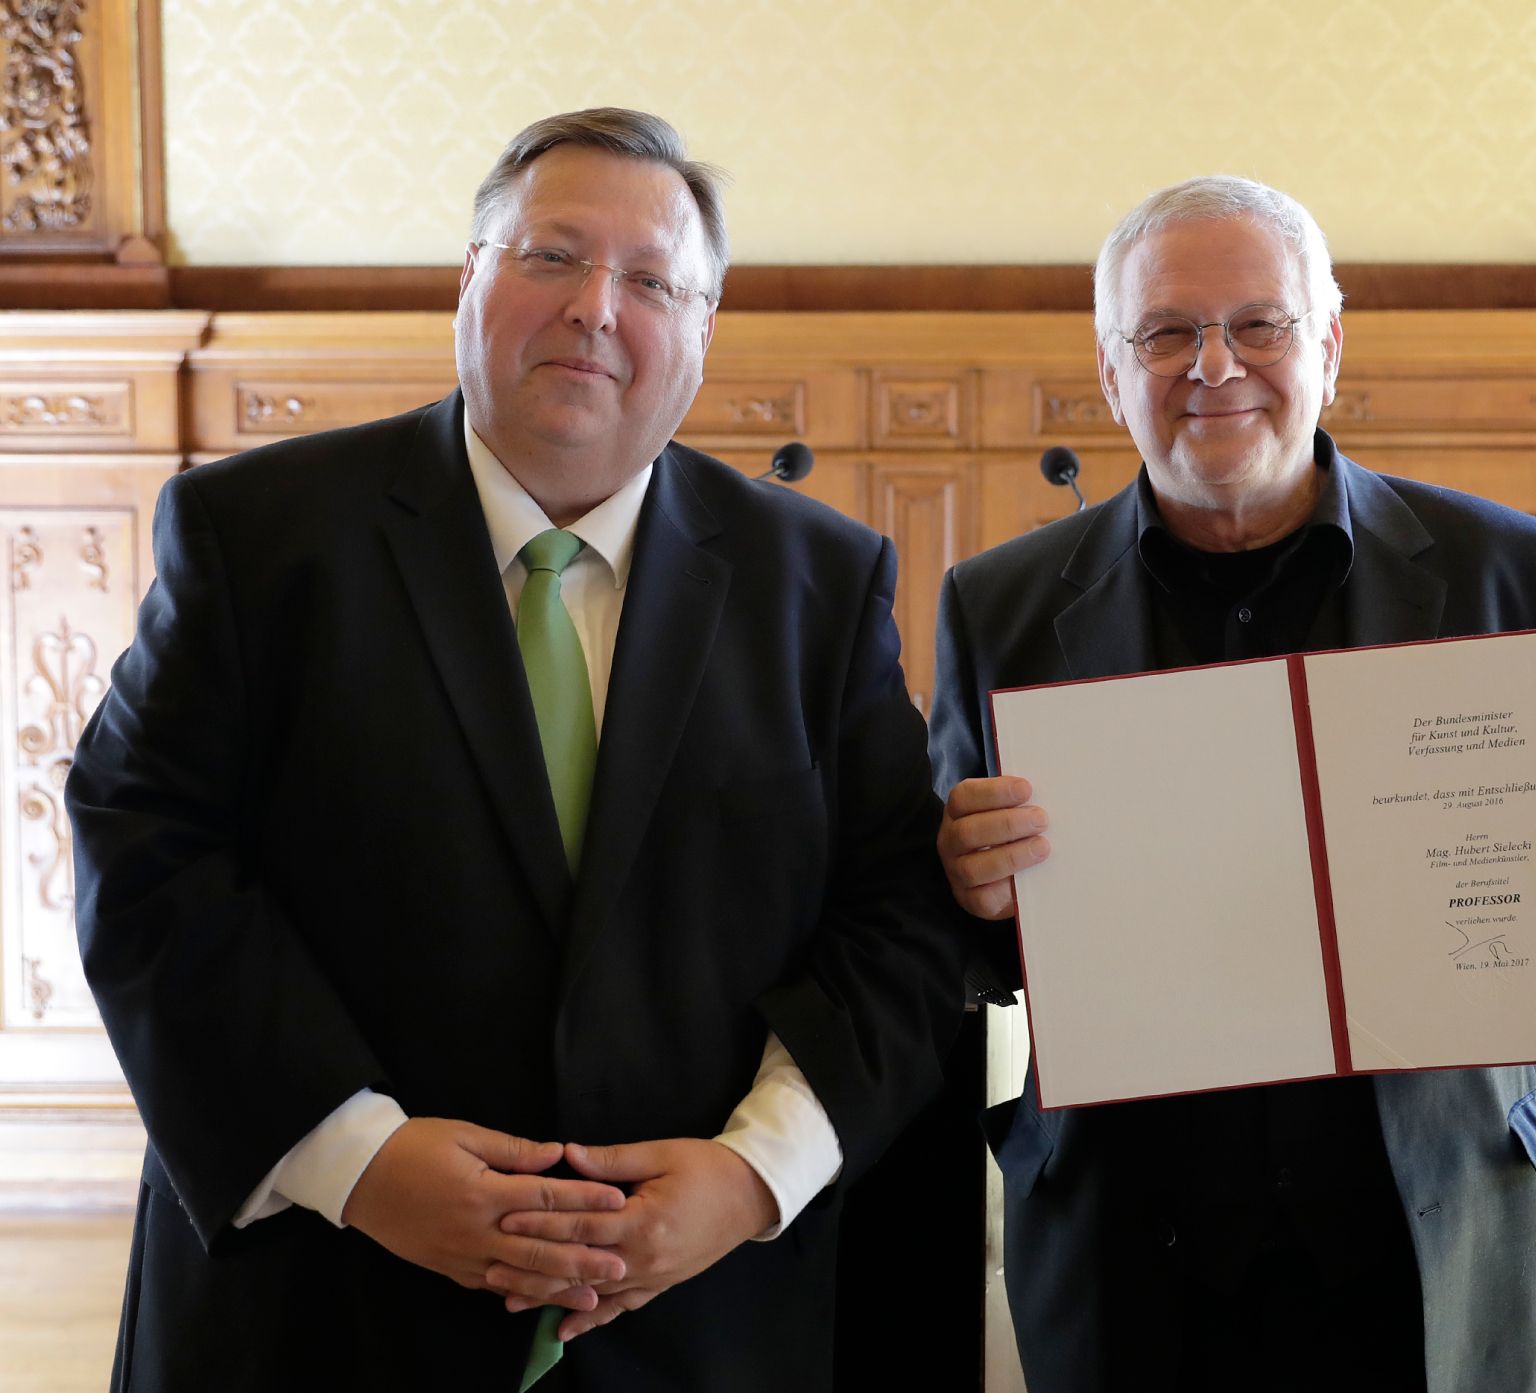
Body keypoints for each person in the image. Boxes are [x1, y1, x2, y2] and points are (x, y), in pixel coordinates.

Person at [67, 108, 963, 1393]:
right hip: (322, 1306)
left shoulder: (816, 583)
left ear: (701, 335)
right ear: (471, 278)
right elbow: (144, 857)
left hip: (700, 1322)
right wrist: (357, 1160)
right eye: (551, 256)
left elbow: (896, 914)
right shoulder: (254, 538)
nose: (597, 308)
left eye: (653, 281)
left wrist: (748, 1175)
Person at [930, 176, 1536, 1393]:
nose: (1213, 365)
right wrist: (963, 889)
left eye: (1260, 324)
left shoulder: (1501, 564)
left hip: (1436, 1226)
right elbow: (956, 943)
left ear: (1328, 346)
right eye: (1166, 331)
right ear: (1110, 366)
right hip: (1134, 1240)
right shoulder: (999, 605)